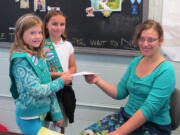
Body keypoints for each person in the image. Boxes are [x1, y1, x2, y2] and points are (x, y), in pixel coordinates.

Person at [81, 19, 176, 135]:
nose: (145, 44)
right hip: (126, 117)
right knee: (86, 133)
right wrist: (97, 80)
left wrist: (117, 133)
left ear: (160, 41)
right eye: (142, 39)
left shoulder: (166, 70)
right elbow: (120, 92)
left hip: (152, 125)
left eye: (151, 40)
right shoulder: (135, 62)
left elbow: (148, 110)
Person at [9, 13, 73, 135]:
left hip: (41, 114)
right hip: (28, 118)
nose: (38, 36)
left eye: (40, 32)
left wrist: (56, 114)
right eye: (32, 33)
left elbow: (48, 86)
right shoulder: (20, 60)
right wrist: (61, 81)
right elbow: (37, 90)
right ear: (19, 35)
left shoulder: (39, 56)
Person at [43, 9, 77, 134]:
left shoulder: (67, 45)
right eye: (54, 24)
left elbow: (73, 66)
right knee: (44, 124)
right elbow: (40, 72)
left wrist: (69, 73)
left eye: (62, 24)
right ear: (46, 24)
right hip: (46, 89)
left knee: (60, 123)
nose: (58, 27)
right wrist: (61, 75)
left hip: (63, 91)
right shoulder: (41, 45)